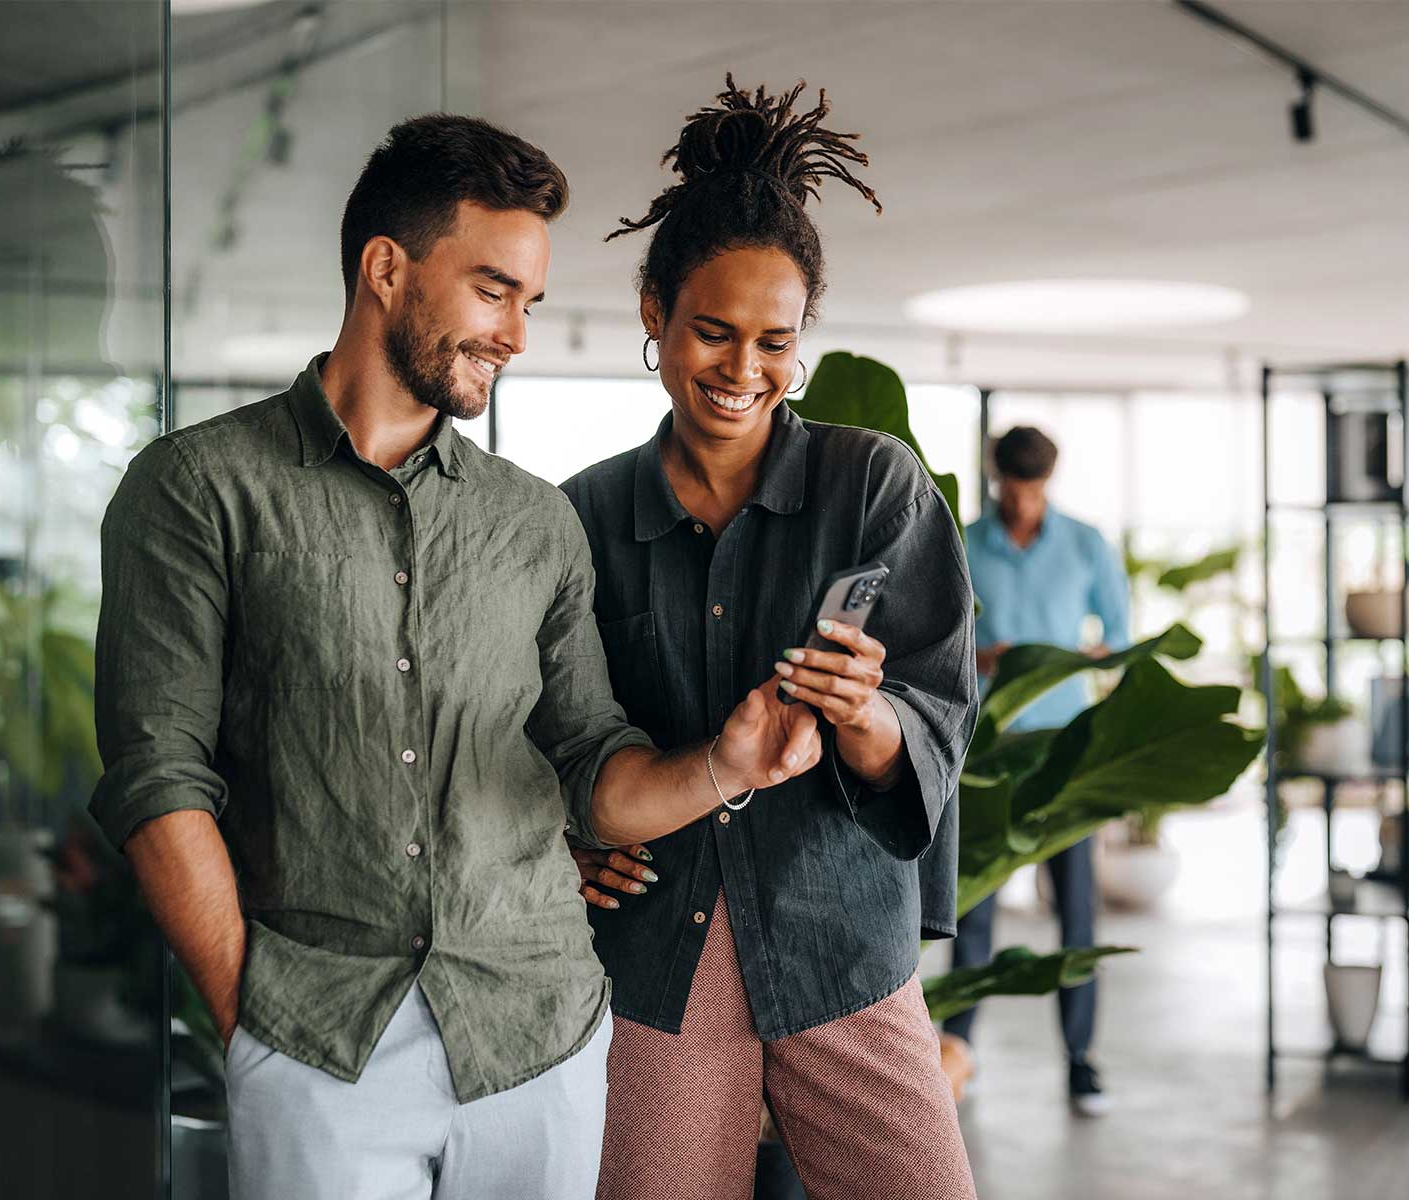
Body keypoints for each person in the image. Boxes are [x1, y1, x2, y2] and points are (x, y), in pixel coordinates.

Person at [88, 114, 825, 1200]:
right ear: (387, 269)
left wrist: (730, 764)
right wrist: (248, 1015)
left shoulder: (534, 523)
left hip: (539, 1036)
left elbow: (588, 762)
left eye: (530, 302)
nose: (516, 334)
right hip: (315, 1043)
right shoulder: (199, 487)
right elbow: (157, 772)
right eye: (493, 291)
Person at [564, 78, 979, 1200]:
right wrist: (570, 840)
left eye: (774, 342)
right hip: (659, 950)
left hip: (840, 937)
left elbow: (936, 715)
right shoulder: (583, 517)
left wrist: (864, 715)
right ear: (654, 311)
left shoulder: (873, 486)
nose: (743, 369)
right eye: (712, 331)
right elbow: (545, 735)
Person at [944, 425, 1130, 1117]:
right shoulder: (964, 541)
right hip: (986, 751)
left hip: (1062, 752)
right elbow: (938, 636)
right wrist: (983, 659)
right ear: (996, 478)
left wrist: (1073, 661)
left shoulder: (1085, 544)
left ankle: (1081, 1061)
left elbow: (1120, 637)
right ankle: (957, 1051)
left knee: (1077, 910)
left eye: (1033, 488)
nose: (1021, 501)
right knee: (972, 908)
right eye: (1010, 487)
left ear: (1049, 480)